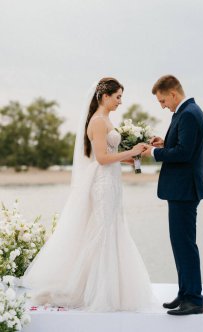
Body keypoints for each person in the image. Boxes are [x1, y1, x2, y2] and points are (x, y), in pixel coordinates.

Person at [22, 77, 156, 312]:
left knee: (113, 228)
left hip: (113, 182)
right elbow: (102, 159)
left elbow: (111, 156)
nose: (120, 102)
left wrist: (135, 154)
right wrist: (130, 152)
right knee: (102, 231)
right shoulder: (96, 121)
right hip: (102, 183)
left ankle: (111, 290)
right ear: (105, 97)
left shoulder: (107, 120)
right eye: (118, 97)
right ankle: (96, 291)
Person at [142, 75, 203, 316]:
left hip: (184, 191)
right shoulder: (186, 112)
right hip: (182, 190)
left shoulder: (189, 113)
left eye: (162, 101)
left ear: (172, 94)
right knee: (180, 244)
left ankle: (193, 299)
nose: (162, 105)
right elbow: (180, 144)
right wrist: (164, 141)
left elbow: (184, 153)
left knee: (185, 245)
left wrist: (155, 152)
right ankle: (185, 293)